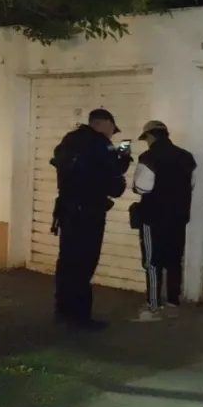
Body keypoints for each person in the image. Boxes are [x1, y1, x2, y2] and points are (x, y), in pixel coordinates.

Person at [51, 108, 132, 331]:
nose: (111, 135)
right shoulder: (99, 144)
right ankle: (80, 317)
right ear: (104, 123)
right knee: (84, 263)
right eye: (111, 130)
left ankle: (63, 310)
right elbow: (113, 180)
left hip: (67, 209)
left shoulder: (70, 140)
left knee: (67, 260)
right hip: (88, 212)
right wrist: (124, 156)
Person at [129, 120, 197, 322]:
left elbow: (141, 188)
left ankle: (152, 306)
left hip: (153, 218)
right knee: (174, 261)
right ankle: (172, 304)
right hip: (178, 218)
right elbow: (191, 184)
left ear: (149, 137)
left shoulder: (148, 157)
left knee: (152, 263)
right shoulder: (187, 157)